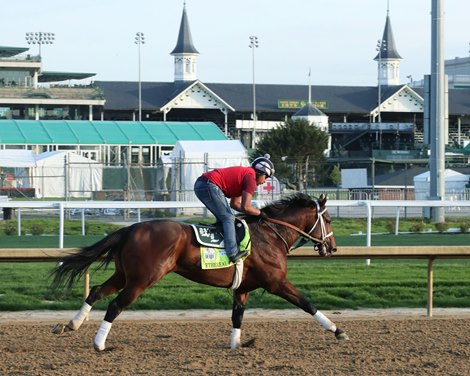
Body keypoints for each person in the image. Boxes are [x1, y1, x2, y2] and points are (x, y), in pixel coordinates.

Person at [194, 155, 275, 263]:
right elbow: (246, 207)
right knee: (228, 218)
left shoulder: (247, 174)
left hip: (204, 183)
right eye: (266, 176)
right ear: (260, 172)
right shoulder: (250, 178)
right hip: (208, 184)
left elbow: (235, 204)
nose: (265, 181)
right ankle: (232, 253)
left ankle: (220, 246)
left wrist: (255, 212)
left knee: (226, 218)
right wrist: (261, 213)